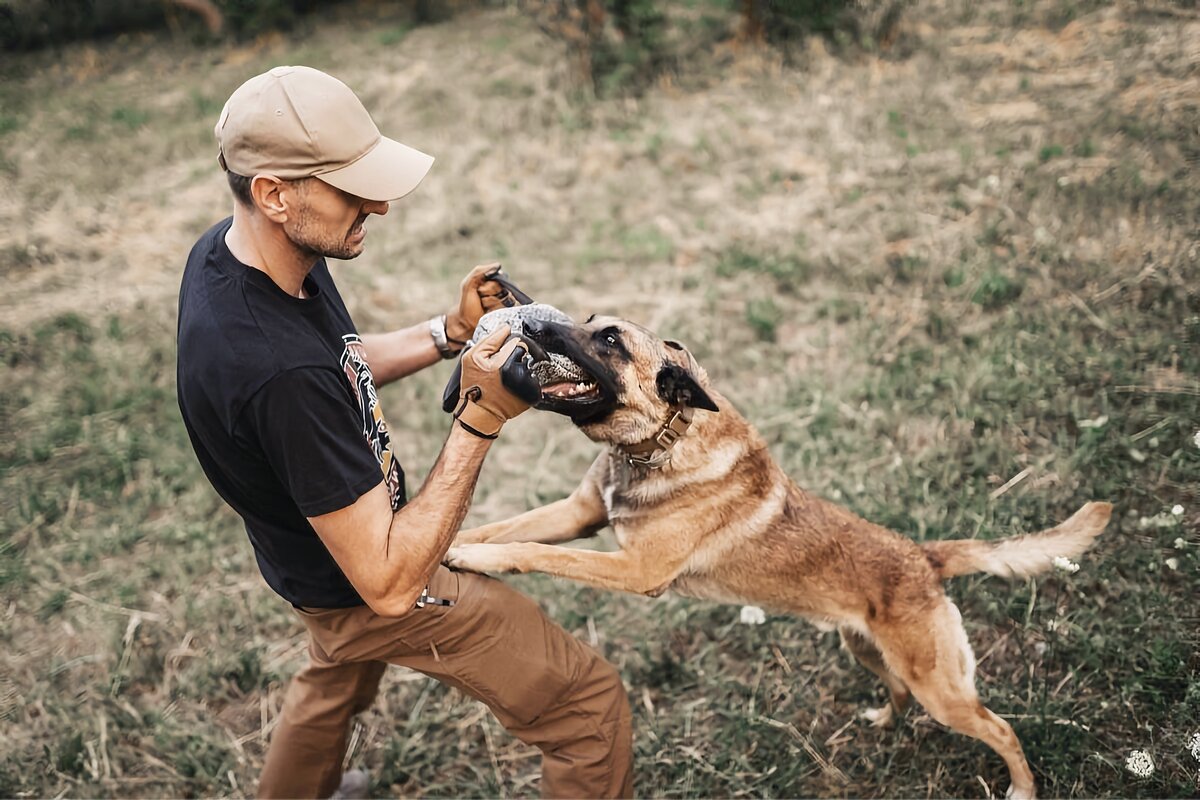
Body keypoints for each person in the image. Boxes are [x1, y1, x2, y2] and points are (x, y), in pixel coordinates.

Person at [176, 65, 633, 799]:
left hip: (312, 567)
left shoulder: (243, 255)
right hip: (367, 580)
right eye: (352, 188)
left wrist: (447, 335)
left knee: (333, 682)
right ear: (274, 191)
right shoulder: (271, 369)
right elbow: (388, 584)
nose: (380, 205)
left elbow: (337, 366)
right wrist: (480, 417)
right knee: (586, 707)